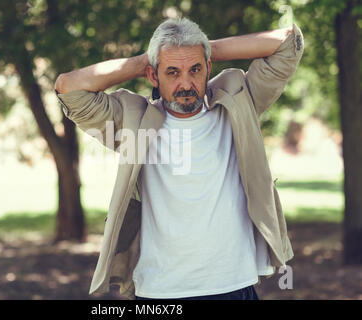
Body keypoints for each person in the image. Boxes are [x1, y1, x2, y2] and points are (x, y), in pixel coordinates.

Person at [54, 17, 304, 300]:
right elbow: (69, 88)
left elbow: (288, 42)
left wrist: (202, 49)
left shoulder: (237, 102)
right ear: (153, 76)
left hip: (232, 284)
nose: (186, 83)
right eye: (172, 72)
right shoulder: (133, 121)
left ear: (208, 68)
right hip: (160, 291)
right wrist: (145, 60)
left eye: (195, 69)